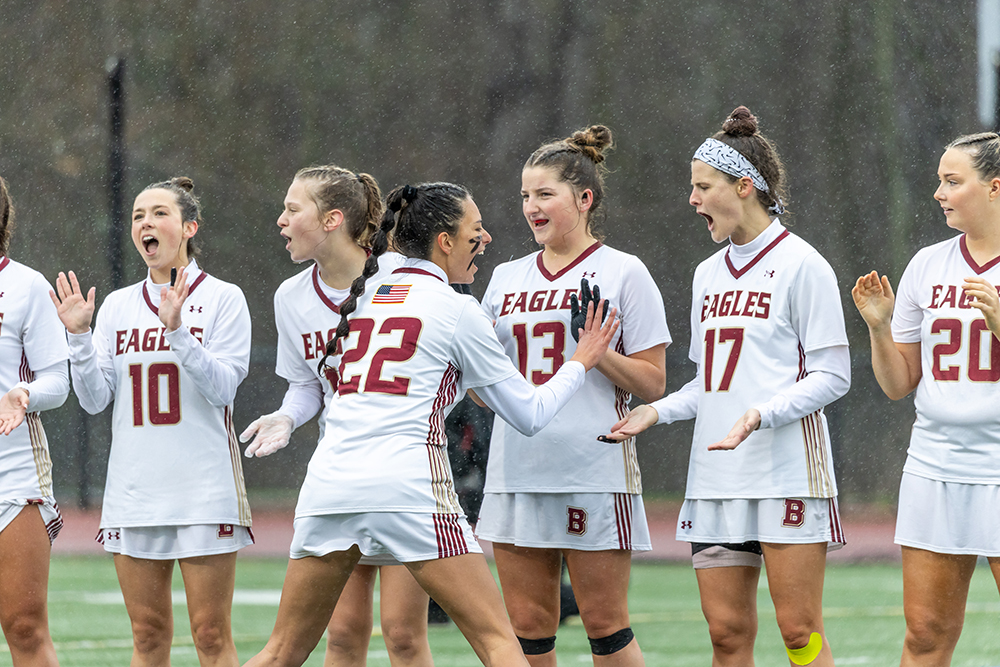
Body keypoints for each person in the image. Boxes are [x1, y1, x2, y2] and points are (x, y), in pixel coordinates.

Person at [244, 182, 619, 667]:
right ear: (444, 241)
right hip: (408, 486)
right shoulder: (457, 308)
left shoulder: (367, 295)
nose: (483, 241)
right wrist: (582, 360)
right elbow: (530, 415)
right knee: (497, 642)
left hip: (328, 483)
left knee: (281, 653)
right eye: (475, 232)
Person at [605, 107, 850, 667]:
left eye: (702, 186)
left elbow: (834, 375)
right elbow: (711, 384)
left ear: (745, 186)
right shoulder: (706, 273)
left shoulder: (802, 264)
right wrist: (657, 412)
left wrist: (761, 415)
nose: (692, 200)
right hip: (716, 475)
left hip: (786, 472)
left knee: (798, 631)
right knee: (727, 635)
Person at [476, 125, 669, 666]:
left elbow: (653, 382)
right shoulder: (507, 278)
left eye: (544, 195)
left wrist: (596, 351)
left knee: (605, 626)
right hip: (517, 468)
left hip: (594, 468)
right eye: (524, 196)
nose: (530, 207)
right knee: (528, 629)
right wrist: (505, 399)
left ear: (584, 200)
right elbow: (482, 379)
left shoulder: (624, 271)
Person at [49, 177, 252, 667]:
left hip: (204, 491)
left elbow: (223, 388)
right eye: (139, 215)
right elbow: (96, 401)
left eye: (159, 213)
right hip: (135, 492)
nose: (146, 223)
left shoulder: (225, 298)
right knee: (148, 635)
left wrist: (178, 331)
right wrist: (78, 337)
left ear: (188, 227)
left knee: (209, 635)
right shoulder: (117, 305)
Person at [238, 165, 436, 667]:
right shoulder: (291, 296)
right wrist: (286, 417)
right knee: (343, 633)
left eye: (292, 208)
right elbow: (307, 386)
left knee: (404, 635)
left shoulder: (405, 279)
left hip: (405, 474)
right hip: (342, 474)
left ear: (332, 219)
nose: (280, 220)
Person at [852, 131, 1000, 666]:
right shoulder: (927, 264)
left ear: (994, 188)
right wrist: (879, 328)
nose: (938, 192)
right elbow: (897, 385)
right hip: (935, 463)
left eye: (953, 181)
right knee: (925, 637)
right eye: (939, 180)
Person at [0, 176, 68, 667]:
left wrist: (24, 392)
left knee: (24, 624)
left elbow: (57, 382)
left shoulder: (26, 284)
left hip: (12, 467)